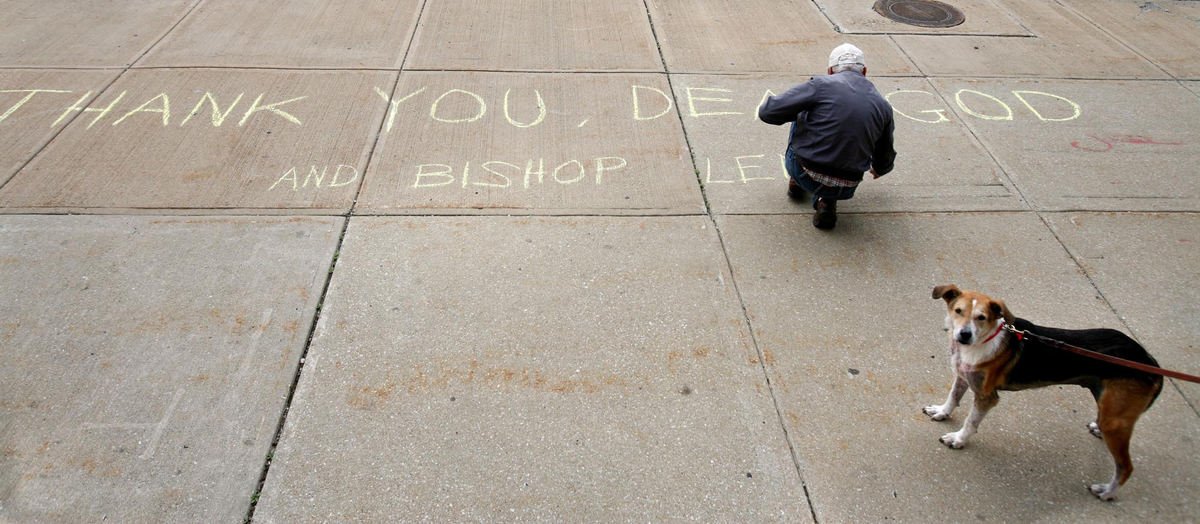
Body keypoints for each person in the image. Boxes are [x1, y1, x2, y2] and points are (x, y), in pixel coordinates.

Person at [758, 43, 896, 230]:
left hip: (805, 170)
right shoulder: (883, 106)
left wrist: (800, 109)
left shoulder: (820, 85)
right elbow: (885, 148)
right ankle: (827, 202)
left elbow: (768, 112)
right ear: (864, 71)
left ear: (831, 70)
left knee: (801, 113)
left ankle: (796, 183)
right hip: (846, 184)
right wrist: (881, 168)